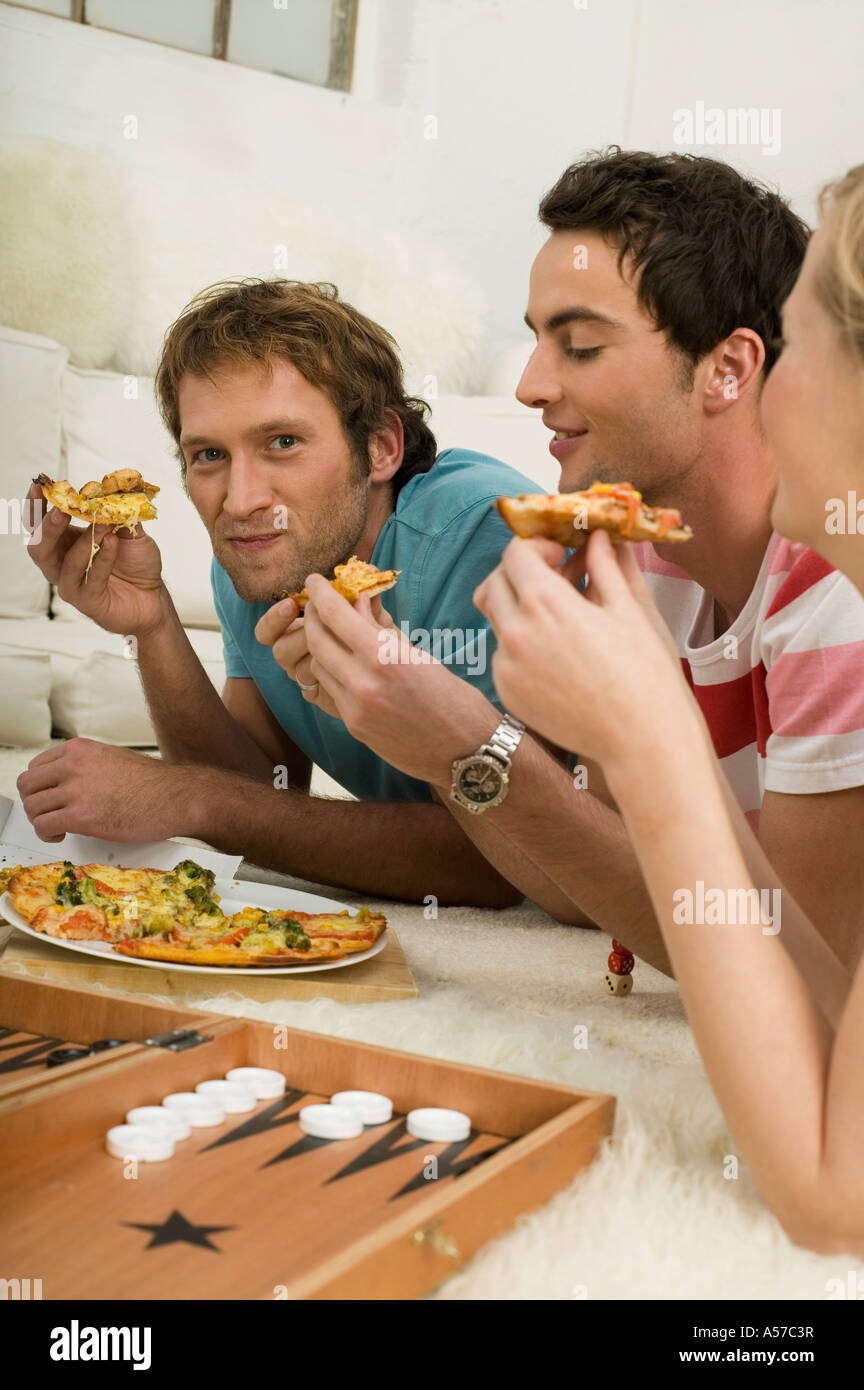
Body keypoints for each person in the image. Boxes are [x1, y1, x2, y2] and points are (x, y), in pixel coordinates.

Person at [262, 150, 864, 977]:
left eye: (579, 346)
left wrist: (473, 741)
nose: (530, 385)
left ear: (729, 367)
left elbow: (804, 990)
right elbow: (591, 893)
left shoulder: (836, 590)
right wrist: (423, 738)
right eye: (536, 341)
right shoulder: (646, 559)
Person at [472, 165, 864, 1256]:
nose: (778, 388)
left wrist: (649, 745)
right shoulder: (651, 559)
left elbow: (839, 1204)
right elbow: (828, 1007)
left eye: (797, 340)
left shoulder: (834, 606)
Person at [19, 279, 539, 907]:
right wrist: (151, 624)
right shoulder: (262, 551)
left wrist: (191, 798)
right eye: (209, 454)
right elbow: (262, 789)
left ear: (379, 446)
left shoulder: (486, 536)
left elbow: (500, 859)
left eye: (283, 443)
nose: (240, 502)